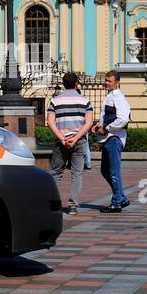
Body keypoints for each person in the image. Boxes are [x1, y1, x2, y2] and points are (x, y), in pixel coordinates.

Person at [46, 72, 93, 215]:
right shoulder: (85, 101)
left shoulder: (55, 101)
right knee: (76, 174)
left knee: (56, 174)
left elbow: (50, 121)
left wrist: (61, 138)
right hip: (78, 142)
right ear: (76, 84)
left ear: (63, 84)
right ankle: (73, 206)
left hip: (61, 142)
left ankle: (53, 205)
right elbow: (89, 123)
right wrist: (76, 137)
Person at [93, 70, 131, 212]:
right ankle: (121, 197)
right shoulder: (110, 96)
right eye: (106, 80)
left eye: (109, 80)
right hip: (108, 138)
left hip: (114, 138)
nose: (106, 83)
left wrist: (107, 129)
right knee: (105, 170)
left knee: (113, 172)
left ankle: (116, 203)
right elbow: (108, 116)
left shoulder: (118, 97)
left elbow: (123, 119)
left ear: (117, 82)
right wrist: (99, 126)